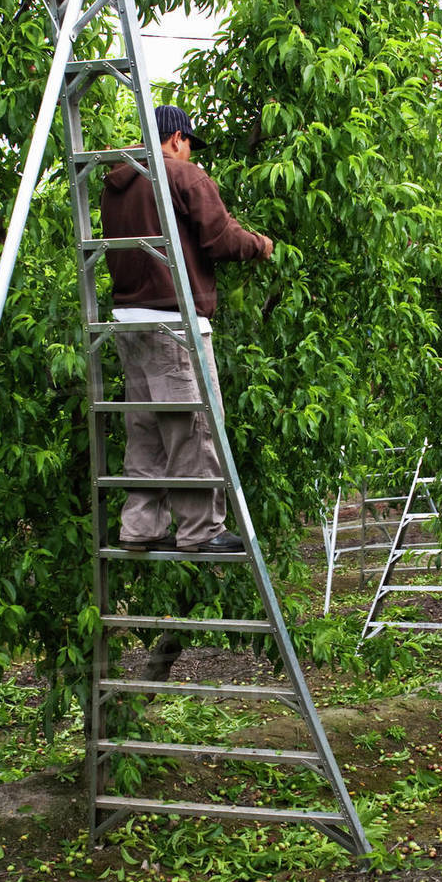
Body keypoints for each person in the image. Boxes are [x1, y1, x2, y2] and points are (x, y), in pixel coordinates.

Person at [100, 104, 273, 553]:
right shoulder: (182, 175)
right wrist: (260, 246)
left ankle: (140, 526)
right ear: (177, 138)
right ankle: (201, 531)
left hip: (128, 323)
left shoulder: (116, 184)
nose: (190, 151)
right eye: (190, 143)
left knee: (145, 430)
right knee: (192, 428)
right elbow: (221, 239)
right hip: (173, 323)